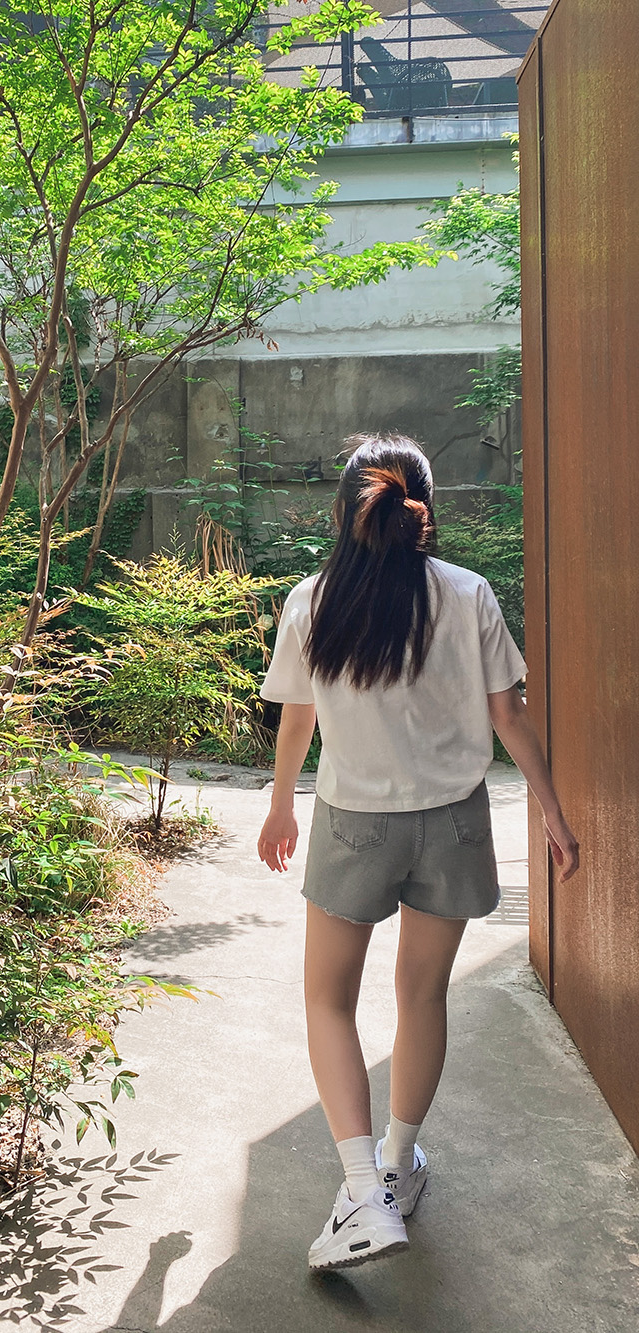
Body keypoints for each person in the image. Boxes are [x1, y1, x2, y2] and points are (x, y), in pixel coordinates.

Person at [256, 433, 579, 1272]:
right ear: (423, 511)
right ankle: (398, 1162)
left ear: (343, 513)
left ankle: (365, 1193)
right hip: (456, 823)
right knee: (423, 993)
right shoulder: (468, 593)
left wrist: (281, 804)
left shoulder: (311, 600)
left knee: (329, 1000)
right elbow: (508, 715)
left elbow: (298, 717)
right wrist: (552, 812)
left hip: (354, 823)